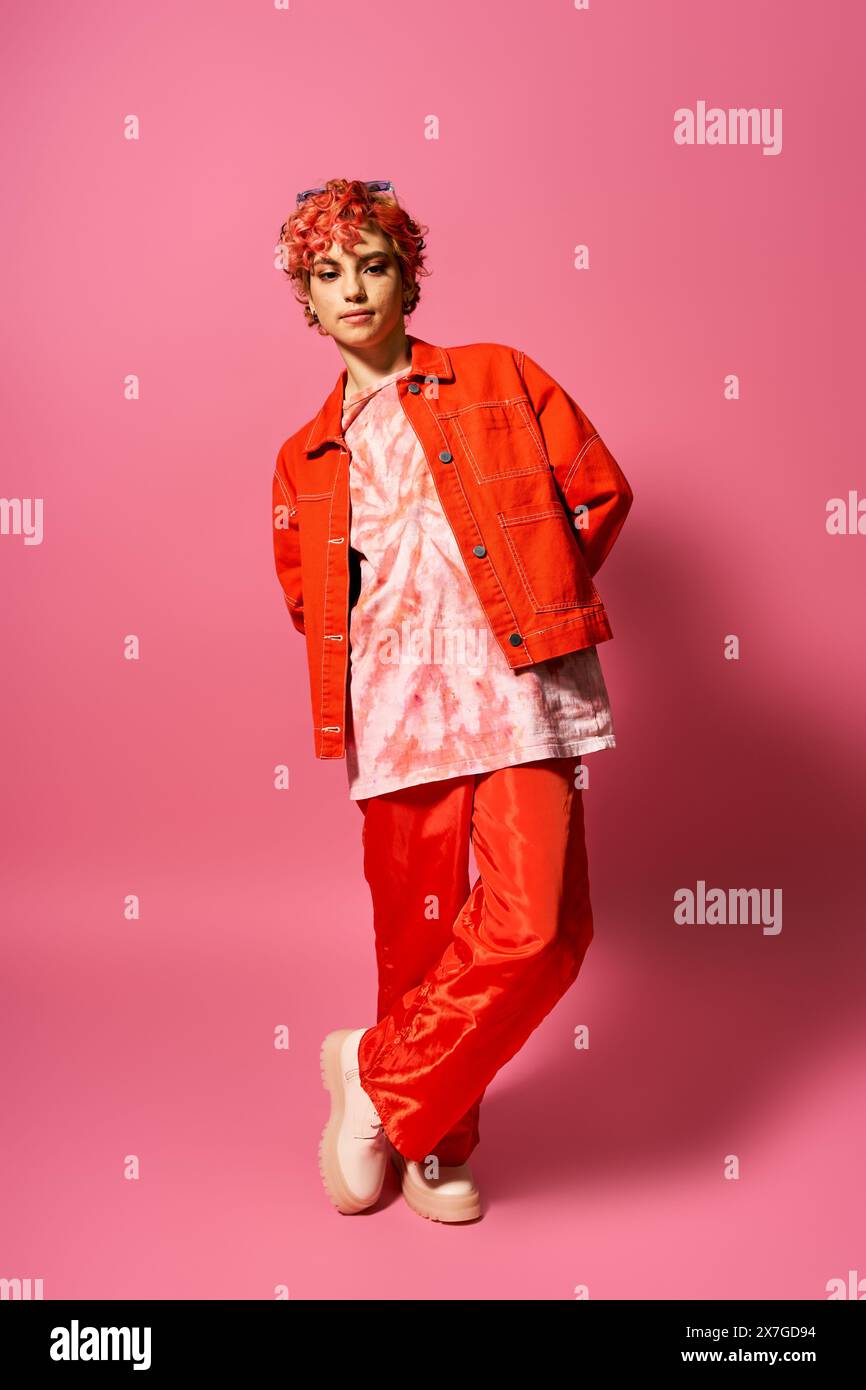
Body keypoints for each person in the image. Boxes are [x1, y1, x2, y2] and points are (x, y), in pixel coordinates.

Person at [272, 178, 633, 1223]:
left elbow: (596, 487)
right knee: (419, 945)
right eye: (328, 274)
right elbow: (311, 601)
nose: (354, 291)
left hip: (522, 691)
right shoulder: (300, 459)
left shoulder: (495, 375)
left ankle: (376, 1077)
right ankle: (436, 1140)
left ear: (406, 276)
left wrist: (539, 593)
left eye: (373, 266)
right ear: (304, 297)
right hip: (395, 715)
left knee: (540, 931)